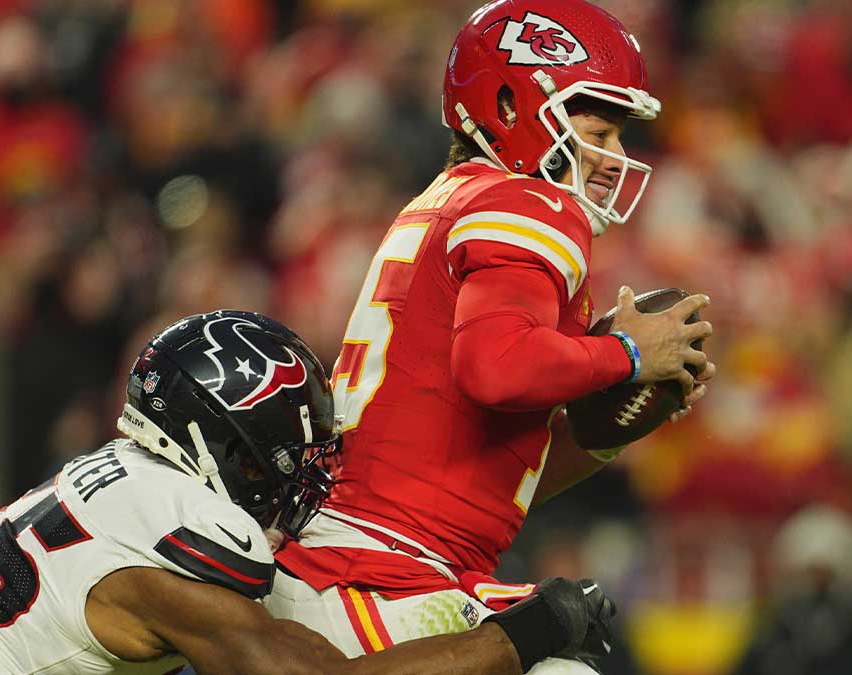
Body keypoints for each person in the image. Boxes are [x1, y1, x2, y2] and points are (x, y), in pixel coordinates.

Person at [266, 1, 716, 672]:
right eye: (598, 128)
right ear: (510, 107)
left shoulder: (457, 196)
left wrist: (603, 427)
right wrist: (626, 353)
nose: (615, 157)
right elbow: (498, 367)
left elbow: (487, 484)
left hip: (366, 562)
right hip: (377, 574)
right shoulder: (527, 202)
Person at [0, 310, 616, 674]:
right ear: (231, 450)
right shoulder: (181, 540)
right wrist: (525, 632)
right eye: (289, 452)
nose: (306, 476)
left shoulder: (118, 477)